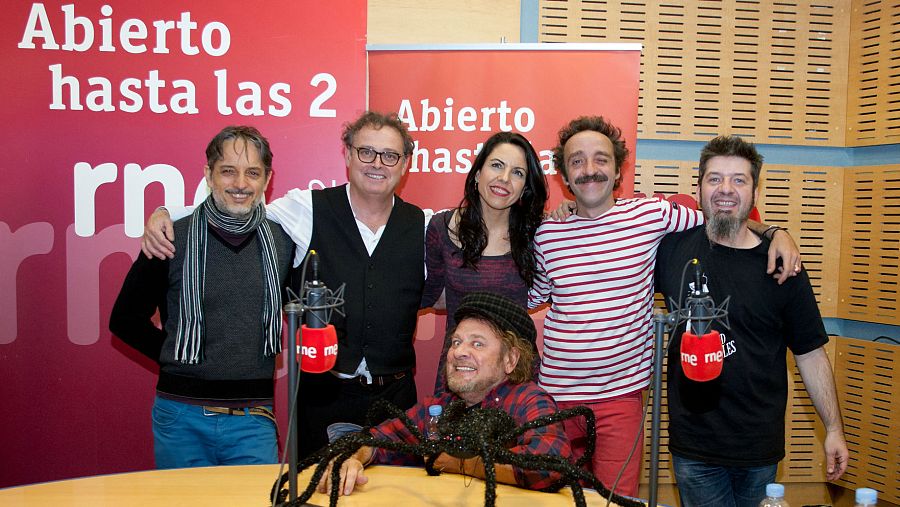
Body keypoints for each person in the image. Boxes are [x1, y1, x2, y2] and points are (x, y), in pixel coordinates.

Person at [528, 116, 803, 497]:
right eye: (577, 161)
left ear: (618, 169)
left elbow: (722, 214)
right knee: (554, 498)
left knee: (615, 502)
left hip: (621, 397)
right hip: (556, 395)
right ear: (564, 175)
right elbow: (533, 296)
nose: (590, 169)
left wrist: (776, 232)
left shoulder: (651, 216)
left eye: (601, 159)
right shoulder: (547, 233)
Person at [140, 111, 425, 458]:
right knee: (316, 486)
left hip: (396, 399)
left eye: (390, 155)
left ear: (405, 164)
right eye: (366, 151)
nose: (376, 163)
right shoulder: (304, 208)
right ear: (348, 155)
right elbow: (233, 206)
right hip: (323, 398)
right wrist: (166, 213)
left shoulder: (423, 226)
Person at [655, 135, 848, 507]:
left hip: (759, 447)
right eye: (714, 179)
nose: (726, 189)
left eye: (739, 180)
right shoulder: (671, 248)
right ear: (699, 190)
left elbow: (811, 354)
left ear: (755, 192)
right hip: (694, 446)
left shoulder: (782, 265)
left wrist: (834, 429)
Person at [109, 126, 295, 468]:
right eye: (228, 171)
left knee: (257, 497)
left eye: (253, 173)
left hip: (253, 419)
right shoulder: (169, 238)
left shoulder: (284, 243)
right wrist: (177, 356)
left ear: (267, 180)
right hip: (181, 417)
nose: (240, 183)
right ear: (209, 175)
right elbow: (124, 320)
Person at [317, 291, 571, 497]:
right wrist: (353, 457)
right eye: (456, 342)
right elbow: (379, 439)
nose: (459, 352)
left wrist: (460, 462)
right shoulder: (439, 407)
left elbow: (549, 465)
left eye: (477, 343)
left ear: (511, 359)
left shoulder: (528, 400)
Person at [422, 131, 548, 394]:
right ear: (478, 173)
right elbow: (430, 295)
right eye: (497, 165)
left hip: (517, 376)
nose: (504, 179)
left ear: (525, 188)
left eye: (517, 173)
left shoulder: (538, 233)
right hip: (462, 371)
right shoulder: (441, 228)